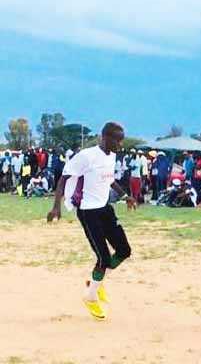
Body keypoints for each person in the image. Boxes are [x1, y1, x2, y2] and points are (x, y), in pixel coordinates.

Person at [47, 122, 137, 321]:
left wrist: (126, 196)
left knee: (124, 251)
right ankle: (90, 296)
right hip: (88, 213)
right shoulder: (86, 156)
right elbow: (64, 178)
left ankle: (96, 280)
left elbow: (109, 179)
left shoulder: (111, 156)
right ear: (106, 137)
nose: (120, 145)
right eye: (118, 140)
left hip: (105, 209)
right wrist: (56, 206)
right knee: (103, 258)